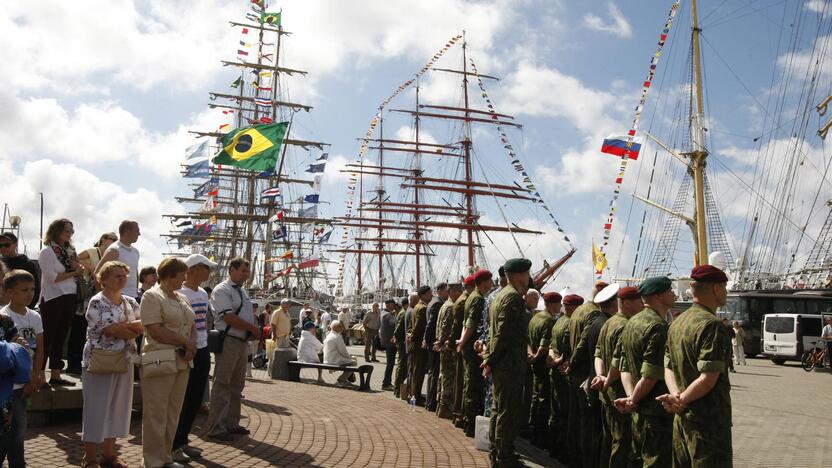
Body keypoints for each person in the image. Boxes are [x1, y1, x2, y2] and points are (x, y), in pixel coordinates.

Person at [658, 265, 733, 467]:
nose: (726, 292)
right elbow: (708, 378)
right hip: (708, 424)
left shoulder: (677, 323)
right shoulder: (711, 325)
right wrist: (681, 399)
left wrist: (676, 397)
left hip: (682, 420)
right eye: (725, 287)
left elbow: (668, 367)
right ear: (716, 288)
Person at [79, 261, 142, 468]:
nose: (122, 279)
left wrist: (121, 327)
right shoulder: (97, 302)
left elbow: (142, 327)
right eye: (117, 276)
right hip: (99, 361)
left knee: (118, 408)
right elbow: (108, 330)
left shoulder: (131, 302)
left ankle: (108, 454)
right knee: (96, 409)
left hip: (124, 361)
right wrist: (126, 328)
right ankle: (89, 458)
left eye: (124, 275)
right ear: (103, 279)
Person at [612, 276, 675, 468]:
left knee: (637, 457)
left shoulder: (631, 322)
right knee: (656, 460)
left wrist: (632, 396)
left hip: (639, 408)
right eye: (669, 290)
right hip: (655, 411)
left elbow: (623, 367)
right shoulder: (658, 327)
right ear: (659, 296)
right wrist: (633, 400)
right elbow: (651, 375)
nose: (673, 294)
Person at [140, 258, 195, 468]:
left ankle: (166, 456)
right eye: (182, 275)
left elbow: (191, 324)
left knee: (173, 412)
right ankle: (153, 461)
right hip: (160, 359)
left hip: (182, 362)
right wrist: (186, 342)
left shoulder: (182, 298)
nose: (184, 279)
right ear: (171, 274)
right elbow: (154, 329)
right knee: (156, 412)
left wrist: (192, 346)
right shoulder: (152, 296)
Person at [482, 258, 532, 467]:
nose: (529, 277)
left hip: (502, 362)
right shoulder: (512, 298)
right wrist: (490, 360)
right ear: (519, 275)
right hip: (509, 364)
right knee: (507, 411)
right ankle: (503, 456)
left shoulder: (500, 296)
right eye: (527, 273)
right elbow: (503, 334)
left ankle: (497, 452)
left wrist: (491, 360)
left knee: (498, 409)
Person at [206, 258, 260, 442]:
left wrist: (250, 330)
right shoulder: (222, 290)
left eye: (248, 271)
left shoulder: (242, 291)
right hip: (228, 340)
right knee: (222, 384)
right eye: (243, 271)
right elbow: (227, 317)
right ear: (232, 270)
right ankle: (216, 427)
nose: (246, 274)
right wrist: (252, 328)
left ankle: (232, 423)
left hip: (241, 341)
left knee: (237, 385)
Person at [172, 254, 217, 464]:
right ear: (197, 269)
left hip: (202, 347)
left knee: (195, 398)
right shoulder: (179, 292)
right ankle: (172, 444)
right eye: (208, 268)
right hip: (185, 349)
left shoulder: (202, 293)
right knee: (181, 397)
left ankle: (182, 440)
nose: (210, 273)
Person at [592, 286, 641, 468]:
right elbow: (619, 361)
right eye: (639, 300)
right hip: (617, 392)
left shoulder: (608, 323)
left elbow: (598, 353)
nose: (642, 304)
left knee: (608, 439)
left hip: (605, 392)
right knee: (621, 443)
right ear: (627, 303)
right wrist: (608, 379)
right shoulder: (624, 325)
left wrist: (600, 375)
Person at [0, 270, 43, 468]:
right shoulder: (4, 317)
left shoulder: (34, 317)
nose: (29, 293)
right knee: (11, 430)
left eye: (32, 289)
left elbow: (40, 348)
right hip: (8, 386)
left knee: (18, 428)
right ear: (9, 293)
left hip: (26, 383)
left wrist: (35, 375)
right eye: (24, 290)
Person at [38, 218, 82, 387]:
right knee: (48, 337)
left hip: (69, 295)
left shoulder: (70, 250)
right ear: (56, 231)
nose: (69, 234)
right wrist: (74, 272)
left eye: (72, 231)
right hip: (52, 297)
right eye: (66, 230)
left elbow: (76, 272)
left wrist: (77, 269)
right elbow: (52, 278)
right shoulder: (47, 251)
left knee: (61, 336)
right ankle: (41, 375)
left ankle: (55, 374)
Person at [581, 283, 620, 468]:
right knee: (604, 435)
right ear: (615, 304)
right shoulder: (608, 325)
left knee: (596, 431)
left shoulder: (597, 323)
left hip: (593, 380)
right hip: (603, 384)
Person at [69, 232, 118, 375]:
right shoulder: (93, 251)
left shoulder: (112, 255)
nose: (114, 242)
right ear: (103, 240)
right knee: (78, 328)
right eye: (112, 239)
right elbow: (75, 260)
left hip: (99, 296)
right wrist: (91, 268)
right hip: (85, 295)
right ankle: (73, 363)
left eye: (116, 240)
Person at [546, 293, 583, 462]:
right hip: (564, 371)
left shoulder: (558, 321)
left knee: (556, 410)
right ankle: (564, 450)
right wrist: (560, 361)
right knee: (568, 414)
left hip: (555, 370)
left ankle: (553, 445)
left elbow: (552, 346)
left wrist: (553, 360)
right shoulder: (570, 323)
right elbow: (569, 350)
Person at [458, 270, 491, 437]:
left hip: (468, 346)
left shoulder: (472, 297)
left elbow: (466, 323)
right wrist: (463, 342)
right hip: (473, 348)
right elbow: (471, 323)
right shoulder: (478, 299)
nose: (492, 284)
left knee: (468, 383)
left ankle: (466, 419)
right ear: (483, 282)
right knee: (473, 385)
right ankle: (471, 423)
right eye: (490, 281)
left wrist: (462, 341)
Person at [527, 291, 559, 448]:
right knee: (543, 399)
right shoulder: (549, 320)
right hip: (542, 364)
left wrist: (530, 355)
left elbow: (527, 339)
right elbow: (544, 345)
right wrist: (537, 355)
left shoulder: (535, 317)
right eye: (559, 304)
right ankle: (539, 434)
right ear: (553, 304)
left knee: (535, 396)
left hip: (534, 362)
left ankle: (532, 427)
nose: (560, 306)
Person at [96, 221, 141, 300]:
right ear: (127, 231)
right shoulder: (114, 250)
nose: (139, 234)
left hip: (134, 297)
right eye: (137, 231)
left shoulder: (136, 252)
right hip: (117, 297)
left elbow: (135, 274)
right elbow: (97, 273)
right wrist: (105, 297)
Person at [436, 284, 462, 419]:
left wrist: (439, 341)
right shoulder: (451, 306)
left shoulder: (445, 305)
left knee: (443, 376)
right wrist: (442, 341)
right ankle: (445, 406)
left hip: (442, 346)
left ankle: (441, 405)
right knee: (448, 378)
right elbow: (446, 326)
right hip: (447, 347)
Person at [452, 276, 474, 427]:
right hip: (463, 344)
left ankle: (457, 412)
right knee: (461, 380)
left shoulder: (461, 300)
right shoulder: (464, 301)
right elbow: (459, 326)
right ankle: (459, 413)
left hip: (460, 343)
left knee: (459, 379)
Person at [0, 232, 41, 309]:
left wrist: (26, 310)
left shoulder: (27, 264)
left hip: (21, 310)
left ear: (15, 244)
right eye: (0, 246)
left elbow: (36, 288)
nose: (3, 248)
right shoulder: (0, 264)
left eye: (7, 245)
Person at [409, 286, 432, 405]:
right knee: (418, 372)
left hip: (415, 343)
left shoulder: (417, 307)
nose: (431, 295)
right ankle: (416, 396)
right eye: (429, 294)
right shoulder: (422, 308)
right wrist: (413, 337)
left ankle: (414, 394)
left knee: (415, 371)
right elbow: (418, 327)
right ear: (423, 295)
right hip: (418, 344)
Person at [323, 320, 357, 385]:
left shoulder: (328, 335)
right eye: (340, 326)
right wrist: (350, 357)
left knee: (351, 359)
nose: (341, 328)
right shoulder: (337, 337)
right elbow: (343, 352)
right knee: (354, 362)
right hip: (334, 361)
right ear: (335, 327)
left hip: (327, 360)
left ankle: (348, 377)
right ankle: (342, 379)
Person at [392, 297, 409, 400]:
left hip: (401, 342)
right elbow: (398, 330)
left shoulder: (402, 312)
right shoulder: (403, 313)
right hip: (402, 343)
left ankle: (398, 388)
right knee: (402, 366)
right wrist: (397, 339)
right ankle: (398, 388)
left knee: (401, 365)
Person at [380, 299, 398, 391]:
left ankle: (386, 382)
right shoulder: (388, 315)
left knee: (390, 363)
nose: (394, 306)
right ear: (388, 305)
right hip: (390, 343)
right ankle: (386, 383)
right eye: (393, 304)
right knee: (390, 364)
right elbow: (395, 323)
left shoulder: (383, 313)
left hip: (386, 342)